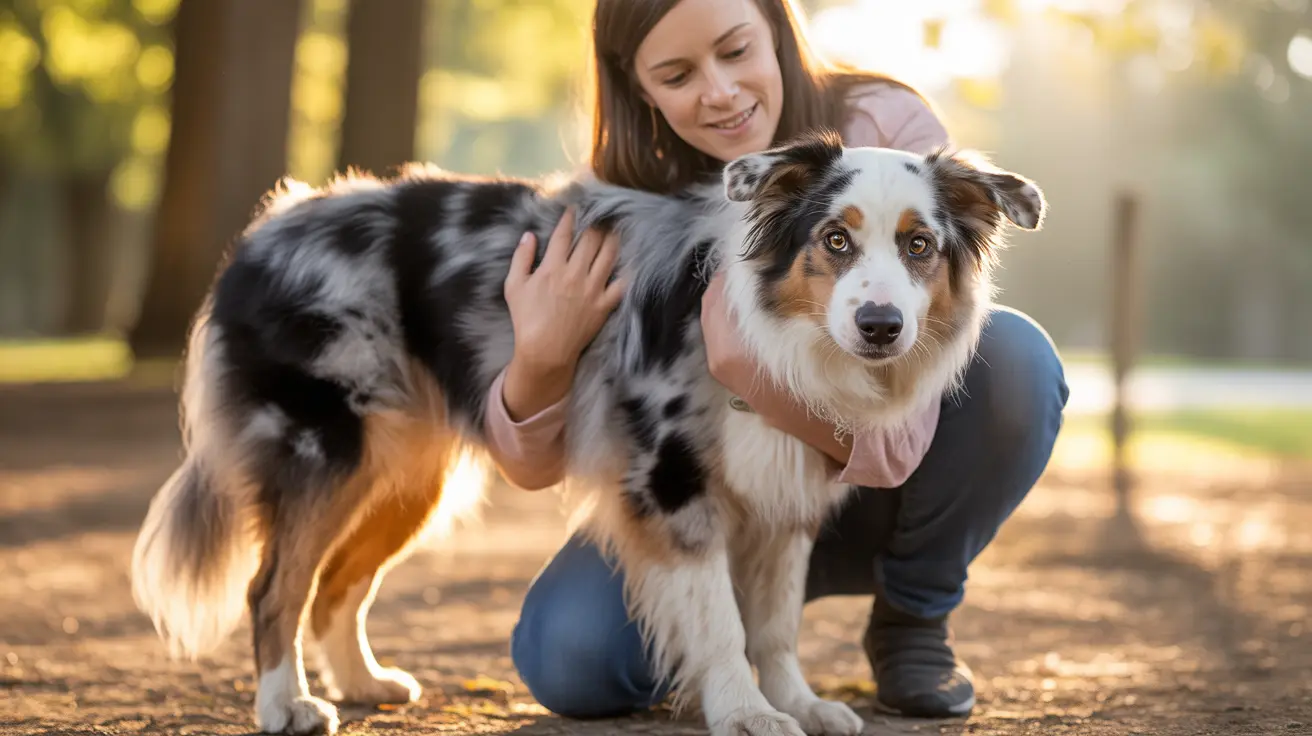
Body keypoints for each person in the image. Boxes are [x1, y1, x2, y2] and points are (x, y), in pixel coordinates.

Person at [484, 0, 1070, 721]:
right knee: (571, 660)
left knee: (1014, 360)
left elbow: (896, 450)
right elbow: (535, 470)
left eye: (735, 50)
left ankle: (912, 616)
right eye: (677, 73)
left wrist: (755, 381)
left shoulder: (885, 125)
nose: (721, 92)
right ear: (639, 88)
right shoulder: (627, 193)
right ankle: (726, 633)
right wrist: (540, 358)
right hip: (698, 502)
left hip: (869, 496)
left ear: (777, 29)